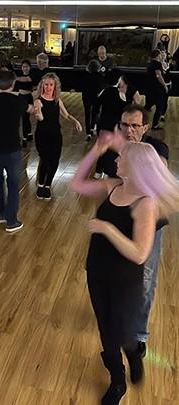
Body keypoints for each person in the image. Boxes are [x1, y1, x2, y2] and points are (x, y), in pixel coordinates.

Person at [70, 139, 179, 405]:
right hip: (97, 270)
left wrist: (107, 228)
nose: (116, 160)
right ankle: (117, 380)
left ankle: (132, 354)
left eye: (121, 158)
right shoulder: (113, 186)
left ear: (135, 166)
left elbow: (140, 253)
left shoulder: (145, 203)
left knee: (124, 332)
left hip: (125, 280)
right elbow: (77, 184)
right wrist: (95, 151)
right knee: (106, 331)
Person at [103, 104, 169, 360]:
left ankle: (138, 334)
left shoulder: (156, 149)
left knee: (145, 278)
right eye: (124, 125)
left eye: (134, 125)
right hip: (120, 221)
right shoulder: (115, 152)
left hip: (149, 223)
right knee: (113, 272)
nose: (129, 130)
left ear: (145, 127)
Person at [0, 70, 33, 232]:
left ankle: (1, 213)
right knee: (13, 184)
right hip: (13, 149)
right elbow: (31, 109)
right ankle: (12, 221)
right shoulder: (18, 101)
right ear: (13, 83)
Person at [34, 72, 82, 201]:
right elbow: (39, 117)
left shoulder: (57, 101)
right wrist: (38, 113)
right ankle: (40, 185)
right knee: (45, 160)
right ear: (42, 85)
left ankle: (47, 185)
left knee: (54, 161)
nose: (48, 87)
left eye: (51, 85)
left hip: (55, 134)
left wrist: (75, 121)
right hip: (42, 135)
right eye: (46, 85)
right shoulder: (38, 101)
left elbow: (66, 115)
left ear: (55, 86)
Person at [94, 75, 140, 179]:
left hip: (112, 125)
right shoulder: (114, 92)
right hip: (111, 125)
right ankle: (103, 171)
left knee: (108, 149)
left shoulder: (129, 91)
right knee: (108, 149)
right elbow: (97, 106)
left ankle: (103, 171)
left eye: (120, 80)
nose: (119, 81)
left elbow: (96, 105)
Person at [145, 49, 169, 130]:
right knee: (160, 106)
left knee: (148, 105)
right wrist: (164, 85)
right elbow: (158, 75)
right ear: (158, 55)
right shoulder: (157, 64)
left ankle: (140, 118)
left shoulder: (149, 64)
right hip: (156, 88)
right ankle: (155, 125)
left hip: (149, 87)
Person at [82, 59, 104, 141]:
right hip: (96, 97)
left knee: (87, 114)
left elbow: (82, 86)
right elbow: (102, 87)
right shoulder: (100, 76)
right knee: (95, 112)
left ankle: (88, 133)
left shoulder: (85, 76)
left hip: (86, 97)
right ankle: (92, 128)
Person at [15, 59, 34, 144]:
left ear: (29, 67)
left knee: (25, 117)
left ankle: (24, 138)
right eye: (23, 66)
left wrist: (15, 78)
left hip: (28, 97)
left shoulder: (31, 75)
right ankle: (29, 134)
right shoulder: (19, 74)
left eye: (26, 66)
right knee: (24, 117)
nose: (25, 68)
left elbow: (27, 79)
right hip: (20, 97)